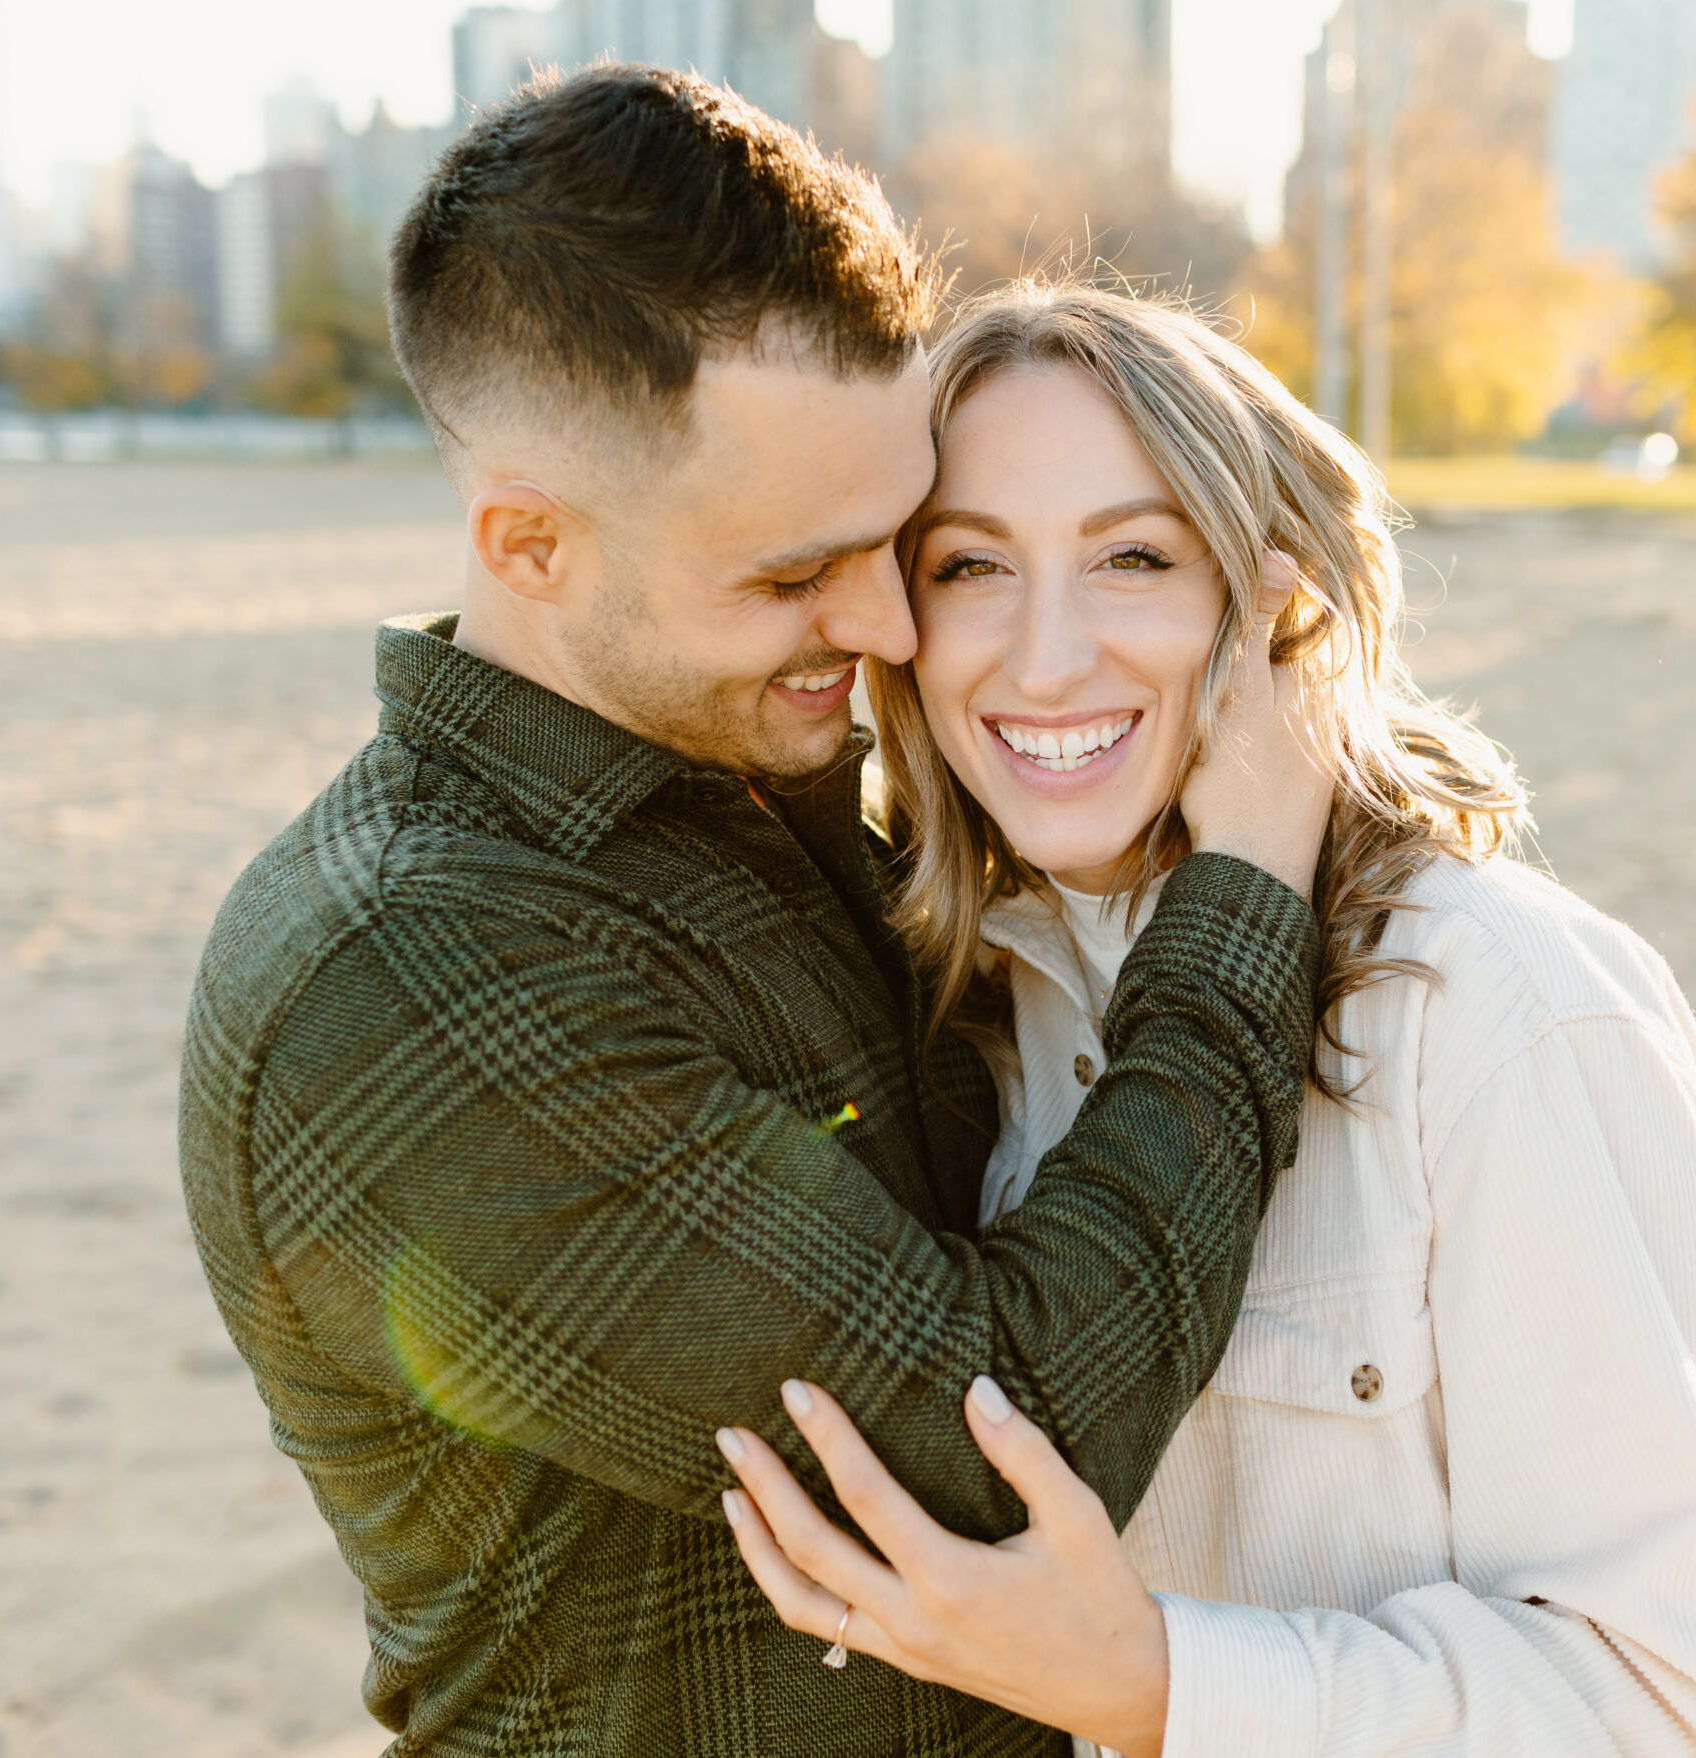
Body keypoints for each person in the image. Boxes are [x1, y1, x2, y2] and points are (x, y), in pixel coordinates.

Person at [178, 71, 1336, 1757]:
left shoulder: (767, 785)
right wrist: (1238, 901)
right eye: (793, 573)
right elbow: (1004, 1447)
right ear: (530, 543)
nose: (878, 624)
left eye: (895, 540)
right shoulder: (406, 971)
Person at [713, 284, 1696, 1758]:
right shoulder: (971, 1019)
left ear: (1280, 605)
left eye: (1134, 556)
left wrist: (1155, 1683)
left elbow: (1667, 1713)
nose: (1045, 659)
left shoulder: (1505, 1009)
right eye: (974, 565)